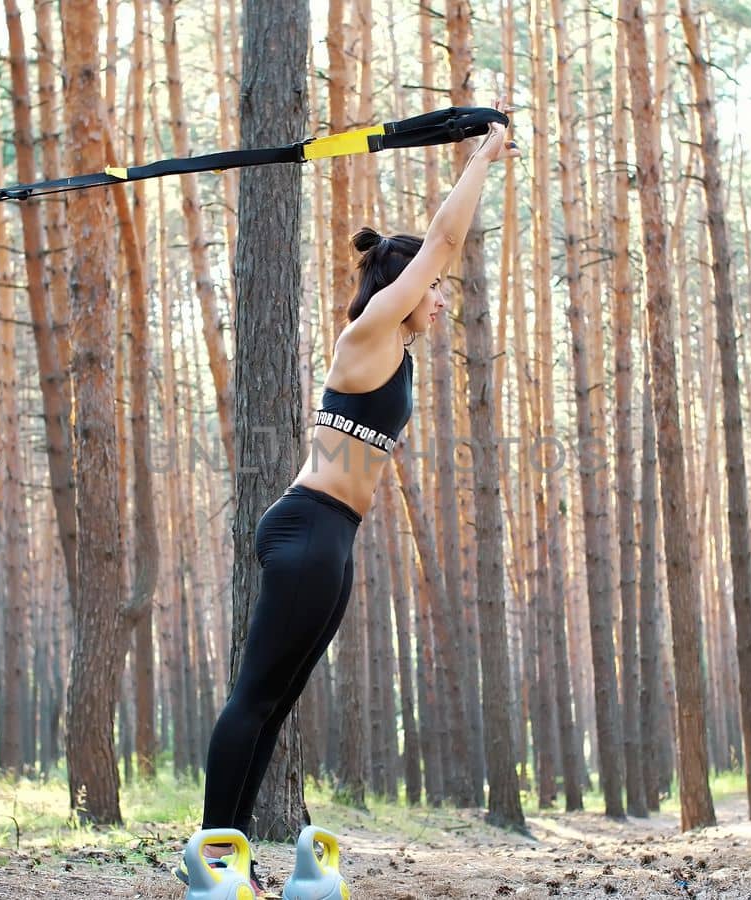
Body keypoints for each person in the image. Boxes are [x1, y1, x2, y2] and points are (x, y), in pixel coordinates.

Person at [178, 112, 518, 897]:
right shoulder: (366, 333)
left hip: (332, 537)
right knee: (253, 699)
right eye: (430, 293)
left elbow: (440, 258)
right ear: (402, 289)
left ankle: (231, 866)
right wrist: (484, 155)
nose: (439, 302)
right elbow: (443, 242)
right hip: (306, 528)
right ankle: (209, 866)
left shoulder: (393, 354)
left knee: (273, 705)